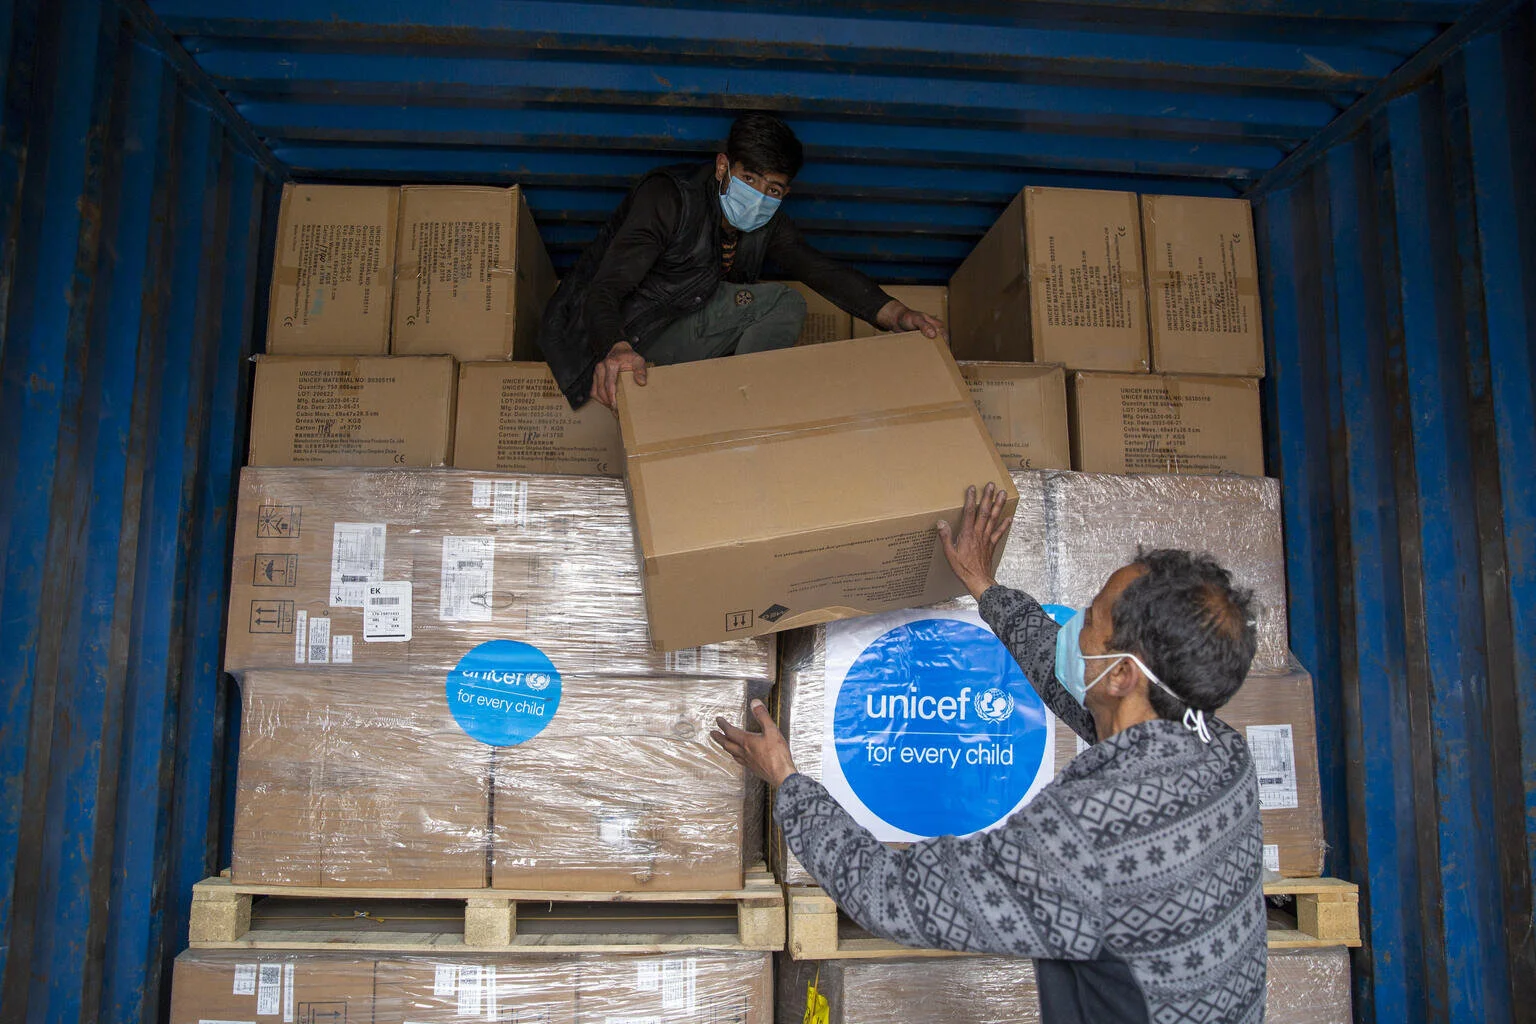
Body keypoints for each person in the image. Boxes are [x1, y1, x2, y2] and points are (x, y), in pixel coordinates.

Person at [711, 483, 1269, 1024]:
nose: (1073, 631)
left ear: (1123, 674)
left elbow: (889, 894)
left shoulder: (1086, 832)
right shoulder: (1219, 753)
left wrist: (787, 780)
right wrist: (985, 587)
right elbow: (1065, 682)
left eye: (1091, 618)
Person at [536, 112, 946, 411]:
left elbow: (820, 269)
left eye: (774, 189)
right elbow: (604, 289)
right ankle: (741, 409)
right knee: (783, 303)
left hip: (672, 328)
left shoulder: (767, 224)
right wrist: (616, 349)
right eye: (750, 180)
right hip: (620, 333)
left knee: (781, 303)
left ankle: (728, 403)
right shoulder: (670, 198)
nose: (760, 196)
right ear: (723, 167)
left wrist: (898, 315)